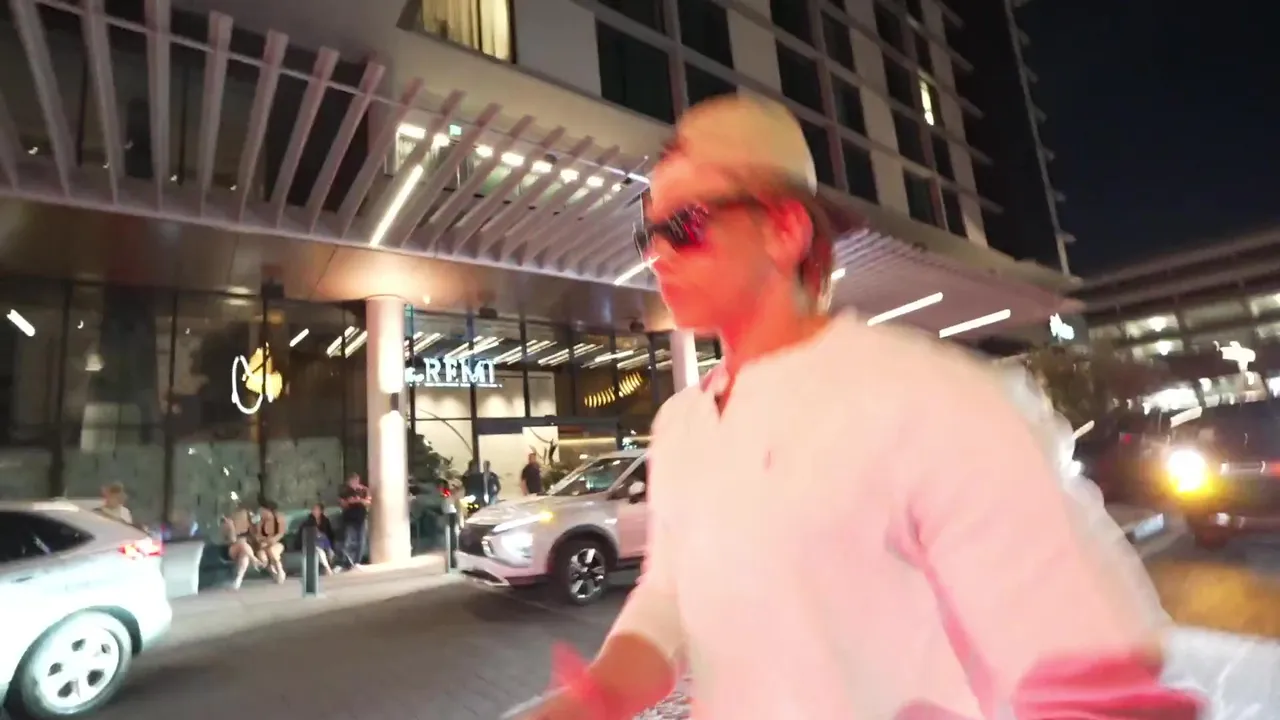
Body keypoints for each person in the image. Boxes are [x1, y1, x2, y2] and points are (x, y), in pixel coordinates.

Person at [513, 95, 1200, 718]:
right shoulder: (681, 424)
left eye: (685, 224)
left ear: (784, 230)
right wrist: (594, 701)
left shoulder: (935, 400)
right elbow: (668, 596)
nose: (658, 254)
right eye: (649, 234)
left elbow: (1095, 682)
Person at [222, 501, 263, 590]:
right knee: (242, 543)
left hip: (246, 549)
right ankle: (254, 560)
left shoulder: (249, 523)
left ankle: (238, 580)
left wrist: (254, 523)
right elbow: (232, 540)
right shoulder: (227, 522)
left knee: (245, 555)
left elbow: (256, 534)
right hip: (231, 549)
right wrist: (231, 527)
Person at [338, 472, 371, 569]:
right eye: (352, 481)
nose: (354, 483)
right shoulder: (345, 491)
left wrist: (358, 500)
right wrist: (349, 501)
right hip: (349, 519)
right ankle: (347, 562)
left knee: (361, 541)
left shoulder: (364, 490)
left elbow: (368, 502)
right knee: (349, 541)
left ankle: (357, 562)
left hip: (361, 518)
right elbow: (342, 503)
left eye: (356, 481)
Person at [252, 498, 287, 584]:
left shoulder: (278, 518)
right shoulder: (260, 522)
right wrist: (263, 541)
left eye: (262, 510)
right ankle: (273, 572)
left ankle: (280, 571)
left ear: (268, 510)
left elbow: (280, 534)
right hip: (264, 545)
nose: (260, 513)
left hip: (277, 543)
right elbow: (258, 537)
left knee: (272, 551)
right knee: (262, 556)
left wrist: (268, 542)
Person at [298, 502, 336, 576]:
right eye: (313, 509)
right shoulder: (307, 522)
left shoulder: (325, 521)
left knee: (326, 546)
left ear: (321, 511)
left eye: (316, 510)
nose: (314, 511)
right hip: (311, 543)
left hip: (324, 542)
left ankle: (329, 560)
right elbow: (304, 534)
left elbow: (329, 534)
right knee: (319, 550)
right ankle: (327, 568)